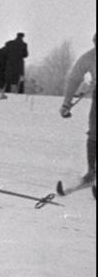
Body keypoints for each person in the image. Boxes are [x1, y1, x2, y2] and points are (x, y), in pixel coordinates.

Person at [60, 34, 96, 188]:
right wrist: (66, 103)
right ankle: (91, 172)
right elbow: (74, 78)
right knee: (94, 131)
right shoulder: (89, 57)